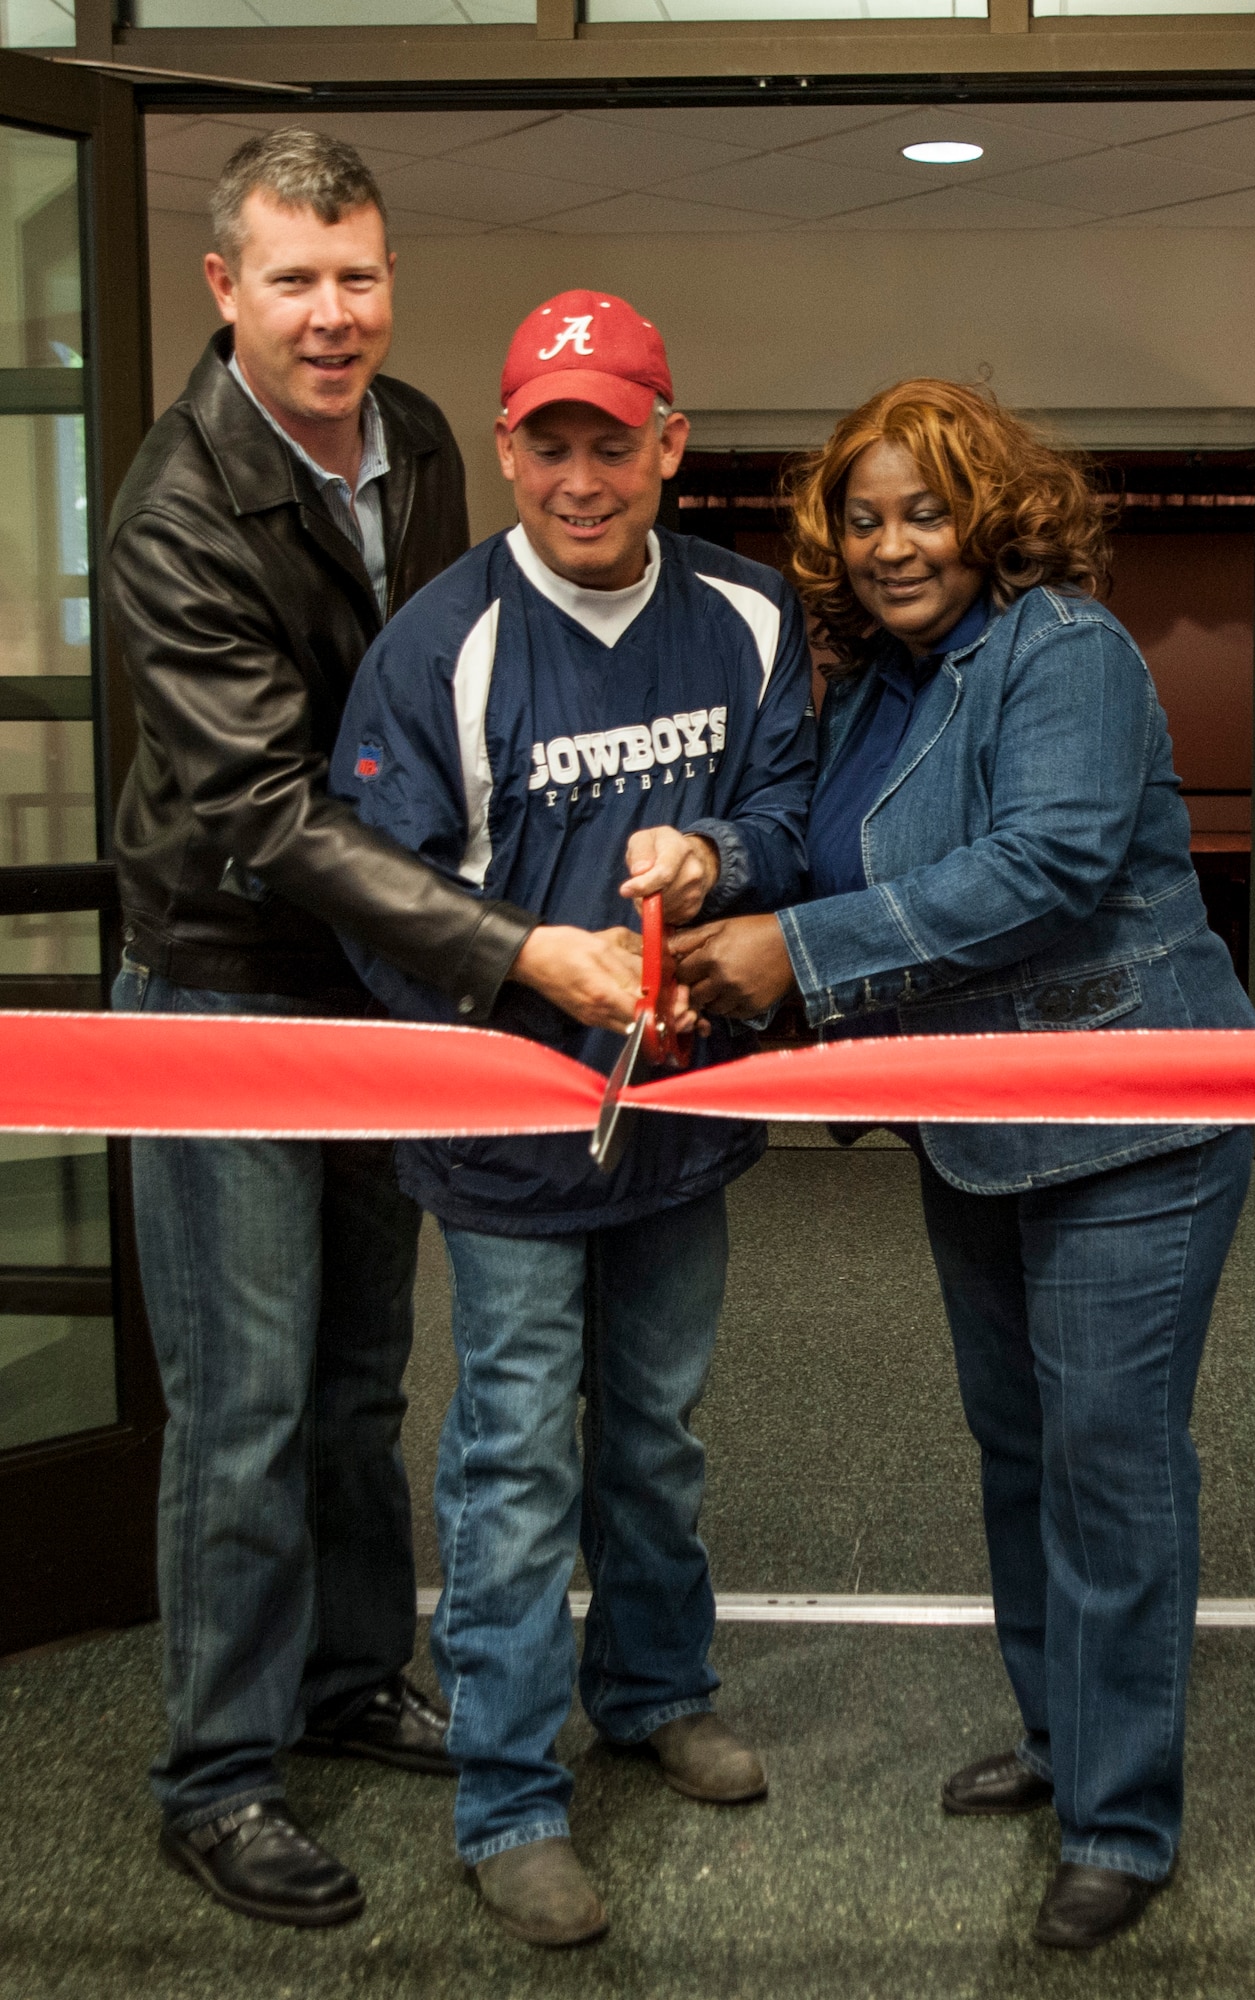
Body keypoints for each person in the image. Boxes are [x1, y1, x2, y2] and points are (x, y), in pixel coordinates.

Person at [106, 137, 642, 1931]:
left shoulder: (416, 432)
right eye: (293, 282)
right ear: (223, 291)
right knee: (243, 1404)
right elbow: (268, 811)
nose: (332, 318)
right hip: (228, 984)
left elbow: (464, 675)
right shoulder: (174, 506)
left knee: (351, 1382)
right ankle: (218, 1773)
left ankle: (344, 1679)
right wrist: (518, 953)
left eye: (358, 277)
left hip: (380, 981)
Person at [671, 380, 1255, 1953]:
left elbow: (1046, 868)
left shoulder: (1059, 651)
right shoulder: (878, 687)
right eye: (860, 520)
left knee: (1109, 1468)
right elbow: (810, 841)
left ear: (989, 513)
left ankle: (1122, 1823)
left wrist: (789, 952)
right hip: (979, 1124)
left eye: (921, 511)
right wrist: (719, 869)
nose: (888, 546)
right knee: (1019, 1454)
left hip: (1133, 1125)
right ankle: (1064, 1744)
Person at [330, 289, 816, 1948]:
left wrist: (716, 865)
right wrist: (540, 996)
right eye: (550, 440)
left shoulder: (749, 616)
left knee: (656, 1431)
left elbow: (786, 810)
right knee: (514, 1459)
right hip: (507, 1136)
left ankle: (655, 1689)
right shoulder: (438, 645)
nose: (582, 473)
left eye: (615, 438)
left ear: (667, 445)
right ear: (508, 446)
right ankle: (507, 1796)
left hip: (676, 1120)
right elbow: (378, 901)